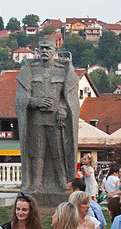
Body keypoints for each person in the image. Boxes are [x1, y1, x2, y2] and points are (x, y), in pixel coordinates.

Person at [16, 36, 80, 200]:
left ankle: (63, 182)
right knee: (37, 152)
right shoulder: (31, 70)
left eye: (48, 48)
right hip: (36, 119)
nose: (44, 51)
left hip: (55, 120)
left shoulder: (62, 70)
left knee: (58, 151)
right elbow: (22, 100)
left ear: (54, 50)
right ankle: (36, 183)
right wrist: (36, 102)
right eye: (42, 48)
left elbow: (68, 98)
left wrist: (63, 109)